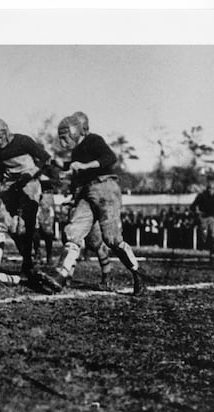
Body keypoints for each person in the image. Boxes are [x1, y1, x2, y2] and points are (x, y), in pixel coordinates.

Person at [37, 114, 144, 295]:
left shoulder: (94, 140)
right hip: (86, 192)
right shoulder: (78, 150)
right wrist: (58, 164)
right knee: (73, 232)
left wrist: (85, 166)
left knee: (112, 239)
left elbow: (110, 158)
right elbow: (72, 167)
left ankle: (136, 272)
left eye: (65, 137)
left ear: (75, 131)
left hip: (105, 189)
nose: (64, 142)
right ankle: (61, 275)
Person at [0, 118, 57, 275]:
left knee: (26, 226)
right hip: (10, 183)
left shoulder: (23, 141)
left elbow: (45, 158)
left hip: (29, 182)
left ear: (7, 133)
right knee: (2, 222)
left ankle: (28, 261)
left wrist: (30, 173)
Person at [191, 182, 214, 261]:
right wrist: (197, 212)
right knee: (203, 235)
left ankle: (212, 253)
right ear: (206, 189)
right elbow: (193, 206)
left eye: (211, 189)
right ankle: (201, 251)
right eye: (209, 188)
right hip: (204, 218)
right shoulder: (202, 196)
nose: (210, 190)